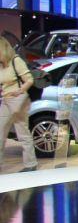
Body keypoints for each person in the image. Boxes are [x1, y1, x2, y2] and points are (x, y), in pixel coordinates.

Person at [0, 35, 38, 172]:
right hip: (5, 100)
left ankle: (30, 164)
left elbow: (29, 80)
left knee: (22, 132)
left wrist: (20, 90)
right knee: (0, 132)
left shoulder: (16, 61)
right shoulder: (1, 64)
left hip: (18, 100)